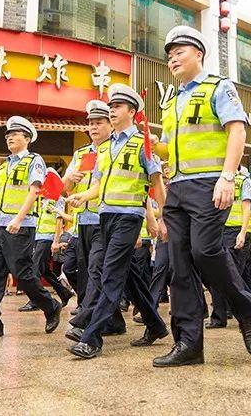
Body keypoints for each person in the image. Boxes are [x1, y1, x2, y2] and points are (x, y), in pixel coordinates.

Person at [150, 26, 251, 367]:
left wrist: (228, 177)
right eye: (169, 54)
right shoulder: (170, 102)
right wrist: (155, 149)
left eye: (179, 51)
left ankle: (245, 310)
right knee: (179, 267)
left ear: (198, 53)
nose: (172, 58)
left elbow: (237, 131)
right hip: (178, 189)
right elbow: (170, 150)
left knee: (205, 250)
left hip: (210, 184)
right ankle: (188, 344)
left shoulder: (219, 87)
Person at [66, 84, 169, 359]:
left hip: (129, 217)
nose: (111, 111)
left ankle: (91, 337)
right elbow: (98, 185)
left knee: (109, 274)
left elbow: (157, 186)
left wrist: (164, 220)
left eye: (117, 107)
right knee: (129, 276)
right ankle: (156, 325)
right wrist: (81, 197)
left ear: (132, 112)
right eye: (110, 107)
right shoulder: (106, 147)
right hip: (104, 217)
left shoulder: (142, 144)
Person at [0, 117, 62, 338]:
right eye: (8, 134)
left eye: (15, 134)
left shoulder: (34, 160)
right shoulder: (4, 165)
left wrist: (18, 219)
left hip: (21, 226)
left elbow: (34, 191)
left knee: (23, 274)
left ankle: (50, 306)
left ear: (27, 138)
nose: (9, 137)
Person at [62, 99, 112, 314]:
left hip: (106, 217)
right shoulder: (81, 153)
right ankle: (89, 307)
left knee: (96, 268)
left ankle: (89, 312)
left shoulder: (114, 149)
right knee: (82, 269)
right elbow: (65, 187)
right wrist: (70, 178)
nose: (93, 127)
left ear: (111, 124)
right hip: (82, 219)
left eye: (99, 122)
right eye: (91, 123)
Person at [206, 166, 251, 329]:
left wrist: (242, 232)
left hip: (235, 231)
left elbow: (247, 208)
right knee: (216, 273)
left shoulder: (243, 181)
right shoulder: (215, 179)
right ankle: (219, 316)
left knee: (231, 274)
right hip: (218, 229)